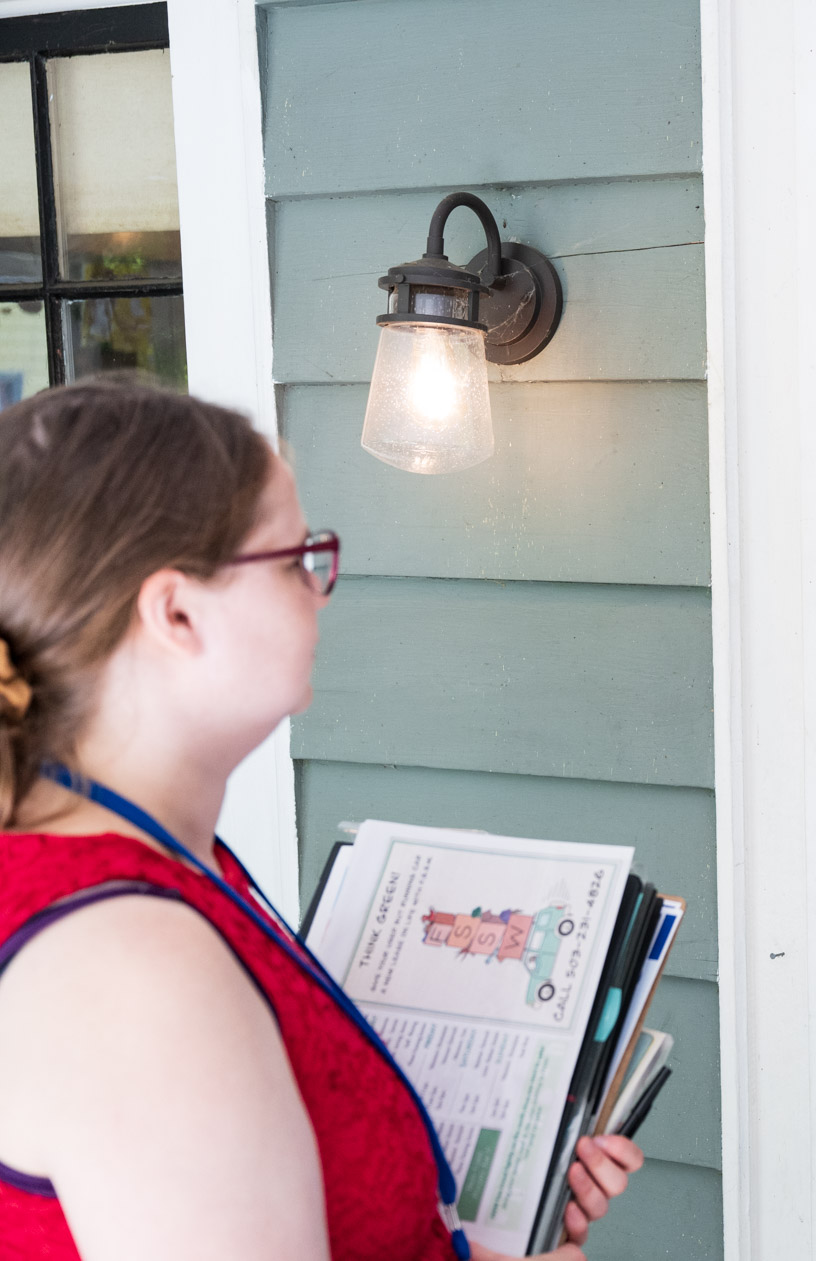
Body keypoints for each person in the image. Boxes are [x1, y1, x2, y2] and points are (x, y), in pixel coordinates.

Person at [0, 381, 641, 1261]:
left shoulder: (176, 866)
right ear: (177, 612)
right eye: (298, 556)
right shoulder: (127, 967)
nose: (321, 588)